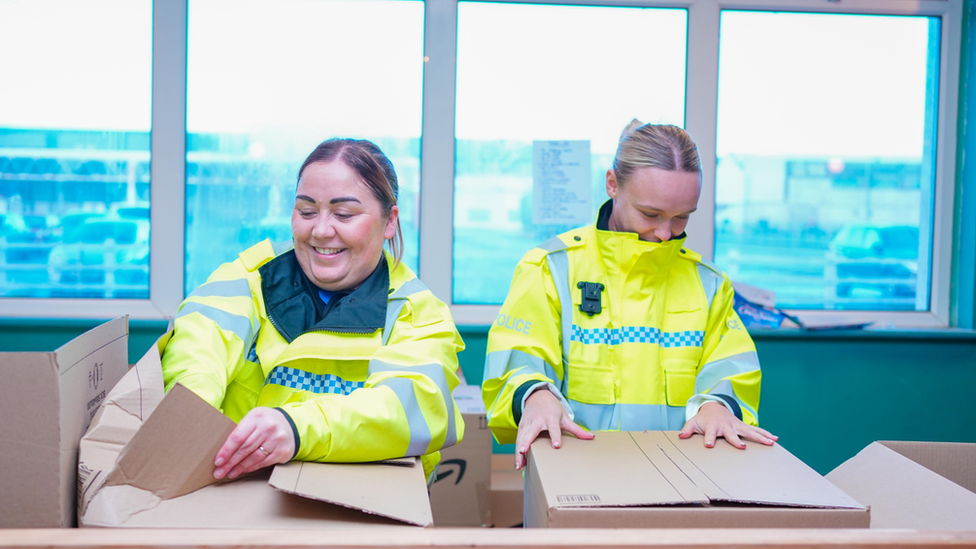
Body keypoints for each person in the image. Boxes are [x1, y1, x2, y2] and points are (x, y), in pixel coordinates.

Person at [161, 138, 465, 482]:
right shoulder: (247, 278)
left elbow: (414, 407)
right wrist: (191, 416)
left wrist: (295, 428)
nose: (320, 230)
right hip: (232, 496)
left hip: (363, 509)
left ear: (390, 221)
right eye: (306, 211)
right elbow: (195, 352)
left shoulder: (418, 311)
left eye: (344, 214)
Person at [482, 121, 776, 470]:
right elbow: (517, 360)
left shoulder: (710, 284)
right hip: (575, 483)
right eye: (650, 214)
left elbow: (732, 368)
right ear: (612, 185)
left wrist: (717, 405)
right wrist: (536, 395)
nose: (665, 233)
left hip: (682, 484)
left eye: (682, 217)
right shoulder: (551, 268)